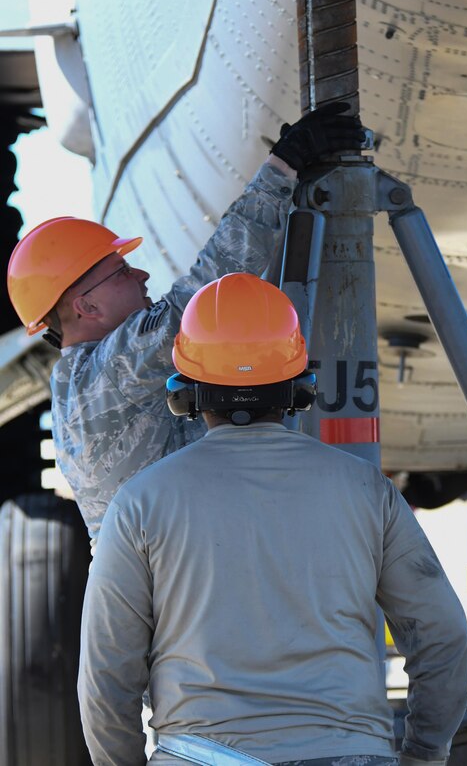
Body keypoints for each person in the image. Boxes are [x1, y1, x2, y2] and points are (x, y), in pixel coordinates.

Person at [78, 272, 467, 766]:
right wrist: (423, 753)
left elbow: (106, 672)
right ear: (298, 383)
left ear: (185, 388)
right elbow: (443, 636)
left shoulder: (139, 502)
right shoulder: (367, 490)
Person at [7, 103, 365, 542]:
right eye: (120, 272)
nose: (141, 275)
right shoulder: (114, 371)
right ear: (86, 307)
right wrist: (283, 166)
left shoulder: (83, 384)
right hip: (177, 584)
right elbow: (207, 291)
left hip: (163, 584)